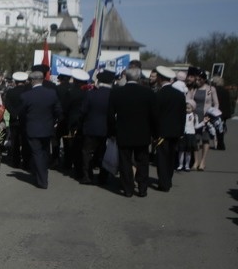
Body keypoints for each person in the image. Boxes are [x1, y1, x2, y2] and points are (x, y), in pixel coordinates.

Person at [107, 65, 156, 197]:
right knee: (143, 161)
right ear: (139, 78)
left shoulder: (117, 92)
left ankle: (128, 188)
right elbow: (153, 115)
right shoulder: (148, 93)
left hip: (123, 133)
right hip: (143, 133)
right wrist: (154, 133)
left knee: (125, 161)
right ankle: (142, 188)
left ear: (125, 77)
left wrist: (112, 132)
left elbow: (110, 115)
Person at [19, 70, 61, 189]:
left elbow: (21, 113)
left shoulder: (26, 96)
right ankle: (43, 174)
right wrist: (55, 121)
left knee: (37, 153)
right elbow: (58, 110)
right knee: (45, 152)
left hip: (32, 129)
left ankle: (42, 180)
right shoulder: (51, 93)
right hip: (47, 128)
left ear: (32, 81)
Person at [78, 70, 115, 185]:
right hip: (107, 129)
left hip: (91, 128)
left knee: (87, 152)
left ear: (99, 81)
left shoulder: (91, 94)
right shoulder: (114, 95)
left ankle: (87, 176)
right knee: (104, 153)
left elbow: (83, 111)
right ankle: (103, 177)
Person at [153, 66, 185, 191]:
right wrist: (181, 131)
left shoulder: (159, 94)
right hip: (176, 131)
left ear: (160, 79)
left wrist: (154, 132)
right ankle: (169, 179)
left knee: (161, 158)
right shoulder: (179, 95)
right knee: (171, 157)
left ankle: (163, 182)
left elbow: (155, 115)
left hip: (162, 132)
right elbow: (183, 114)